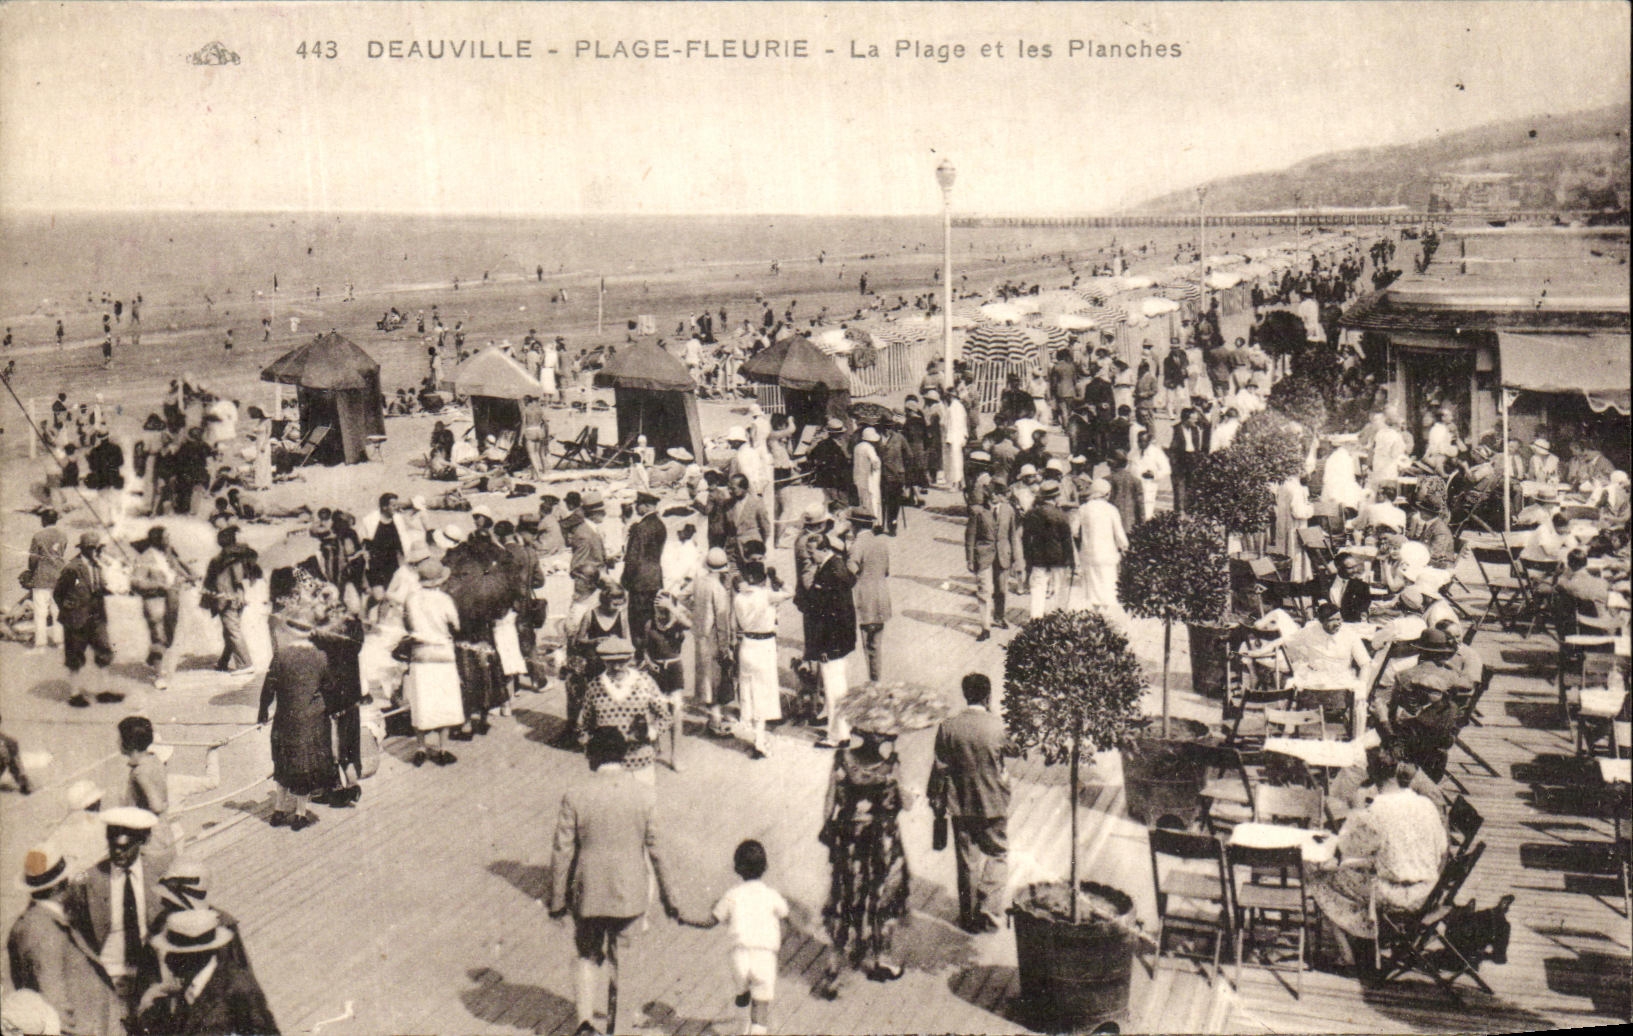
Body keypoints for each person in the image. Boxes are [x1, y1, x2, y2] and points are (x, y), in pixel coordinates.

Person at [548, 727, 680, 1036]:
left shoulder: (576, 795)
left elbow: (562, 851)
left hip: (588, 893)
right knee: (624, 962)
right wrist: (670, 898)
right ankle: (617, 1030)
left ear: (592, 756)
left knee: (586, 954)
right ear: (624, 757)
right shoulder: (644, 795)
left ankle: (584, 1023)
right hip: (629, 894)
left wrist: (556, 900)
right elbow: (659, 851)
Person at [1309, 762, 1449, 976]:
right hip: (1428, 891)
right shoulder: (1426, 805)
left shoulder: (1375, 810)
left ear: (1373, 780)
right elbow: (1442, 850)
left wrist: (1355, 811)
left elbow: (1346, 849)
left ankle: (1347, 955)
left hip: (1395, 896)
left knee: (1321, 879)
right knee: (1362, 871)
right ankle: (1366, 937)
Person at [815, 726, 911, 997]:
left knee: (844, 899)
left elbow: (829, 799)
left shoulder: (842, 759)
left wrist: (828, 830)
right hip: (882, 842)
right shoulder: (891, 765)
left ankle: (834, 970)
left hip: (849, 841)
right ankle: (880, 959)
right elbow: (906, 803)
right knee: (883, 898)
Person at [8, 845, 123, 1036]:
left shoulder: (46, 920)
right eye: (68, 881)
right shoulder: (40, 928)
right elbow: (54, 1005)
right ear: (58, 886)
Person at [64, 806, 164, 1021]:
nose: (117, 853)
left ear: (142, 841)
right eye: (112, 846)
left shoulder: (159, 873)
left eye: (125, 847)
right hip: (108, 975)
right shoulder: (89, 880)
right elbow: (73, 930)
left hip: (150, 972)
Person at [929, 673, 1012, 934]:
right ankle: (988, 905)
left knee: (967, 862)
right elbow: (1014, 749)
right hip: (993, 801)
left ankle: (968, 918)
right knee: (998, 854)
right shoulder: (998, 726)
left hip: (960, 802)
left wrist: (935, 799)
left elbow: (940, 767)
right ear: (988, 695)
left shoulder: (948, 726)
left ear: (965, 694)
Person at [680, 840, 789, 1036]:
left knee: (742, 994)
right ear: (766, 867)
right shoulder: (771, 895)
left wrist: (685, 919)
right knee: (761, 1005)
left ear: (736, 868)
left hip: (739, 956)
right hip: (764, 956)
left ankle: (741, 1030)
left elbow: (710, 921)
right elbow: (786, 915)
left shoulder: (732, 895)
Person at [256, 570, 339, 830]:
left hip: (285, 718)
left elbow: (268, 687)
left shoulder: (281, 656)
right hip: (311, 720)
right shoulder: (320, 657)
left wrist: (262, 711)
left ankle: (279, 810)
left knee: (283, 765)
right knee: (304, 769)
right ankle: (301, 814)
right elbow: (330, 688)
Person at [135, 909, 278, 1036]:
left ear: (194, 957)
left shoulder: (238, 988)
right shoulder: (185, 991)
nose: (167, 960)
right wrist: (146, 1005)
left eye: (174, 955)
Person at [577, 637, 671, 782]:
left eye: (621, 661)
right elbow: (585, 724)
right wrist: (592, 745)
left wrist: (648, 733)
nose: (616, 667)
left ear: (630, 659)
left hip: (640, 760)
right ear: (603, 661)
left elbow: (665, 717)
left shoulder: (644, 682)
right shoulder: (594, 686)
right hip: (607, 764)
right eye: (610, 662)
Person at [402, 558, 464, 767]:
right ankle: (442, 748)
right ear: (439, 579)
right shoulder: (444, 599)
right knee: (445, 701)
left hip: (420, 654)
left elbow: (407, 623)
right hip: (443, 654)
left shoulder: (411, 599)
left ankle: (420, 747)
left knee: (422, 702)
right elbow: (455, 624)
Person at [54, 531, 120, 708]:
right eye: (91, 548)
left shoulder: (97, 565)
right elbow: (58, 593)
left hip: (96, 616)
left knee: (104, 651)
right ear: (82, 548)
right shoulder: (73, 568)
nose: (94, 551)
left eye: (96, 548)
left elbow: (100, 586)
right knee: (75, 656)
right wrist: (70, 610)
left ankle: (103, 691)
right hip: (77, 618)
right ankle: (74, 694)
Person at [130, 526, 193, 689]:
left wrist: (186, 577)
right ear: (158, 540)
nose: (169, 539)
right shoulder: (145, 558)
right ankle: (159, 675)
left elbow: (176, 569)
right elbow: (136, 582)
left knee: (169, 637)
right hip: (154, 600)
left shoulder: (168, 554)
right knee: (159, 636)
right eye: (166, 537)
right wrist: (158, 585)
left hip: (172, 599)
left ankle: (154, 656)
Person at [202, 527, 259, 676]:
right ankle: (223, 662)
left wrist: (237, 595)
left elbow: (237, 580)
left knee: (232, 631)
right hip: (233, 598)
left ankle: (246, 664)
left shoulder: (228, 559)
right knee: (229, 631)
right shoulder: (234, 557)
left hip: (228, 599)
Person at [691, 548, 736, 736]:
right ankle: (715, 722)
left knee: (706, 677)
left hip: (700, 635)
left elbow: (687, 599)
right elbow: (722, 620)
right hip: (713, 637)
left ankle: (715, 717)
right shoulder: (718, 589)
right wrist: (725, 647)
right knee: (716, 679)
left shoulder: (699, 581)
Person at [965, 481, 1013, 641]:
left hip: (1002, 555)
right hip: (984, 555)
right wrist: (970, 559)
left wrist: (1018, 559)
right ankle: (985, 627)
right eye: (993, 494)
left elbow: (1013, 536)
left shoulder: (1008, 510)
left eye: (999, 494)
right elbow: (970, 536)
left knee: (1001, 589)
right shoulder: (978, 512)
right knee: (984, 591)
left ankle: (999, 616)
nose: (996, 498)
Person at [621, 492, 667, 662]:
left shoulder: (641, 527)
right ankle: (652, 652)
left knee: (637, 620)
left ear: (646, 506)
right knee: (651, 617)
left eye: (638, 504)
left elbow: (633, 557)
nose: (636, 508)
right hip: (654, 578)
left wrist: (625, 579)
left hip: (639, 581)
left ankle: (641, 655)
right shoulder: (660, 525)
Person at [1022, 480, 1076, 619]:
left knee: (1037, 588)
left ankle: (1036, 619)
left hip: (1038, 557)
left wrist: (1028, 558)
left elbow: (1025, 538)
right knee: (1058, 589)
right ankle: (1057, 619)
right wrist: (1071, 560)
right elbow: (1067, 541)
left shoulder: (1032, 514)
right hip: (1058, 558)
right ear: (1056, 497)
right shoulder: (1061, 515)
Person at [849, 510, 891, 683]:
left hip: (864, 600)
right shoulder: (881, 543)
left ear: (856, 525)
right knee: (876, 646)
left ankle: (871, 682)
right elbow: (886, 571)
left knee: (867, 647)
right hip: (881, 598)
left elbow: (850, 571)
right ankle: (877, 680)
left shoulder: (857, 545)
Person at [1076, 478, 1129, 611]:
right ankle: (1105, 617)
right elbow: (1119, 534)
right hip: (1108, 555)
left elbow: (1074, 531)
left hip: (1089, 555)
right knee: (1107, 586)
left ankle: (1095, 613)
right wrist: (1125, 547)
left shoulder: (1083, 509)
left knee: (1093, 587)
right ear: (1106, 494)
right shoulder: (1111, 510)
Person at [24, 508, 68, 650]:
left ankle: (40, 643)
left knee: (40, 611)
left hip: (42, 576)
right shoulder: (63, 535)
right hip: (59, 576)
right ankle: (59, 641)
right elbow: (61, 553)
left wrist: (31, 571)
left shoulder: (38, 536)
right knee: (58, 610)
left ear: (44, 520)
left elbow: (33, 558)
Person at [1168, 408, 1208, 514]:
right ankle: (1179, 512)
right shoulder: (1175, 429)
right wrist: (1174, 465)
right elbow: (1170, 450)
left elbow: (1197, 448)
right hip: (1180, 461)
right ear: (1186, 419)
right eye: (1193, 419)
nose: (1196, 421)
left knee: (1191, 488)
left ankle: (1189, 510)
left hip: (1191, 460)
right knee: (1179, 488)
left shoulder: (1195, 430)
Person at [806, 418, 852, 506]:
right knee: (836, 501)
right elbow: (839, 463)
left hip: (823, 478)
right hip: (833, 479)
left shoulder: (821, 443)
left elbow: (811, 455)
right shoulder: (835, 446)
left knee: (826, 500)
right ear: (839, 434)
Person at [852, 427, 883, 520]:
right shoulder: (869, 448)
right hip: (869, 476)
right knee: (872, 496)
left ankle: (864, 514)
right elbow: (875, 462)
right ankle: (874, 517)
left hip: (858, 475)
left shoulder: (857, 447)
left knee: (862, 496)